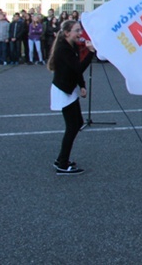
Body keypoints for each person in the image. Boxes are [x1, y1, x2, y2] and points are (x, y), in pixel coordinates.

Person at [48, 20, 95, 174]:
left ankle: (61, 159)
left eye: (79, 30)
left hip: (70, 87)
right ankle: (62, 163)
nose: (79, 33)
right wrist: (91, 53)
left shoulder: (71, 46)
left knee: (78, 123)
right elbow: (78, 67)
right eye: (76, 30)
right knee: (72, 126)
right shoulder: (63, 49)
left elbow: (76, 70)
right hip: (63, 89)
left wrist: (82, 85)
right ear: (67, 33)